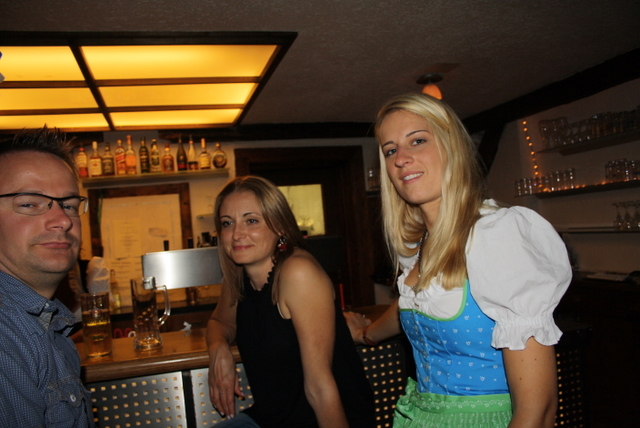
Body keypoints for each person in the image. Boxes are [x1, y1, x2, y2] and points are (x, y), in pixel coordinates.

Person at [346, 93, 572, 427]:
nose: (401, 159)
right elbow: (414, 304)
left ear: (451, 147)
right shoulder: (419, 244)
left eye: (418, 141)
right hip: (418, 416)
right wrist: (365, 334)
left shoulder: (498, 235)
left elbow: (538, 411)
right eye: (390, 150)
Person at [206, 175, 375, 428]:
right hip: (273, 417)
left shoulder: (298, 273)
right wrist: (218, 347)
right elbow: (220, 322)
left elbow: (320, 387)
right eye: (227, 223)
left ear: (280, 226)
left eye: (251, 221)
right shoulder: (238, 277)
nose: (237, 234)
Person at [0, 126, 95, 427]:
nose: (63, 220)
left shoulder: (43, 324)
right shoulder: (6, 337)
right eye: (29, 203)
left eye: (69, 205)